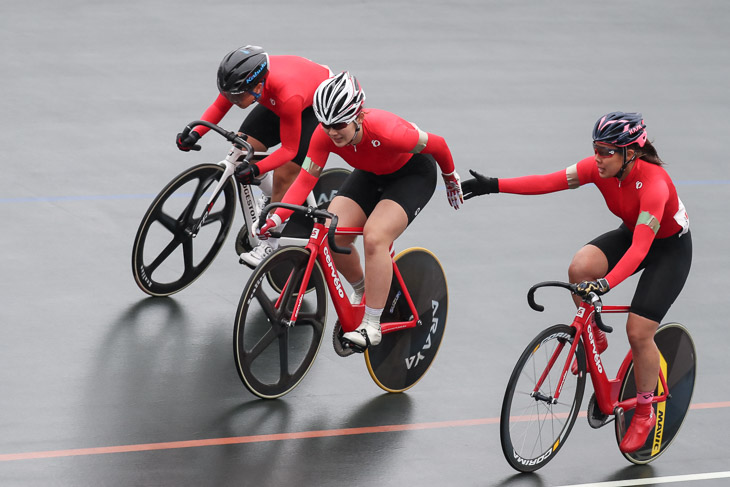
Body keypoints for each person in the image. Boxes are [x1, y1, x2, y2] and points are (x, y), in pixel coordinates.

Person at [462, 112, 691, 453]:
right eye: (595, 148)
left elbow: (641, 250)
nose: (597, 157)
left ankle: (645, 411)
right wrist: (493, 185)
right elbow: (547, 181)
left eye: (606, 151)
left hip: (668, 250)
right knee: (580, 268)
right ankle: (594, 335)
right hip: (634, 234)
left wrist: (607, 284)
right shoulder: (596, 169)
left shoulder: (654, 184)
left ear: (630, 152)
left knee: (638, 331)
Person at [258, 71, 462, 349]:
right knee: (332, 231)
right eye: (325, 124)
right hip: (370, 172)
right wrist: (276, 218)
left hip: (412, 174)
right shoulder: (325, 134)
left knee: (375, 236)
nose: (331, 132)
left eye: (339, 124)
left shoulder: (389, 131)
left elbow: (438, 144)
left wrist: (450, 178)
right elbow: (305, 180)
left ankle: (372, 325)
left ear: (359, 116)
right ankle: (362, 288)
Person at [175, 45, 333, 267]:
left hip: (313, 105)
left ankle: (271, 243)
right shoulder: (242, 84)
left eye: (237, 96)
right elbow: (218, 107)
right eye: (228, 93)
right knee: (243, 147)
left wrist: (258, 170)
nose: (232, 99)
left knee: (285, 171)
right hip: (281, 94)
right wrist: (195, 133)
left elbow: (290, 150)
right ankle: (271, 197)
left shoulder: (289, 96)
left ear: (258, 86)